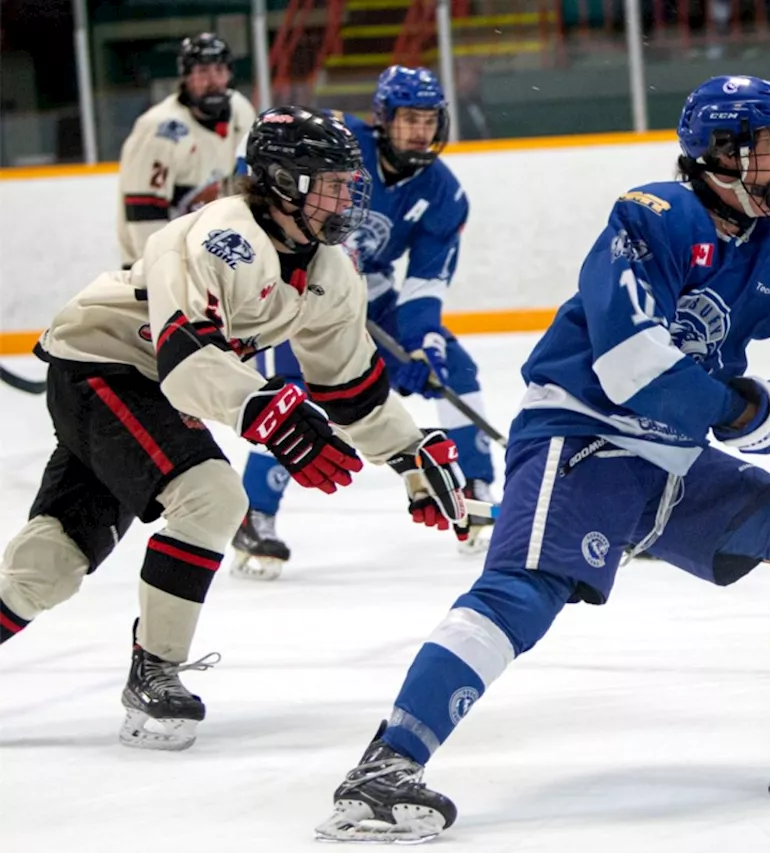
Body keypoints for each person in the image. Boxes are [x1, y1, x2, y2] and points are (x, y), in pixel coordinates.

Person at [315, 75, 770, 843]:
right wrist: (742, 409)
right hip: (584, 438)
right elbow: (631, 363)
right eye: (767, 152)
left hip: (673, 465)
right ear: (715, 154)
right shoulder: (652, 217)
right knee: (525, 588)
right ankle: (385, 767)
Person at [0, 106, 468, 751]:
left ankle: (145, 666)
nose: (346, 196)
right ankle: (156, 669)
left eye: (346, 181)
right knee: (213, 496)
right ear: (281, 182)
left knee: (52, 562)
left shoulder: (330, 269)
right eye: (329, 182)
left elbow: (350, 388)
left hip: (149, 386)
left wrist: (409, 453)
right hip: (104, 367)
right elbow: (186, 361)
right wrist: (269, 414)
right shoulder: (222, 236)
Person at [233, 66, 495, 578]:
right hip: (307, 286)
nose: (421, 131)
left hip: (372, 295)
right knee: (298, 394)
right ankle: (254, 515)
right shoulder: (338, 142)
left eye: (429, 120)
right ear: (383, 118)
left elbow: (424, 282)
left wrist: (422, 344)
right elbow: (260, 160)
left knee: (453, 371)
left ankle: (472, 494)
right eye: (409, 119)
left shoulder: (445, 192)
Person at [117, 33, 256, 269]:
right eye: (202, 71)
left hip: (208, 259)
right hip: (157, 264)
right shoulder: (160, 129)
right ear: (186, 77)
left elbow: (243, 186)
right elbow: (143, 211)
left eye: (219, 70)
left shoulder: (240, 110)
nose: (212, 80)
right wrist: (161, 271)